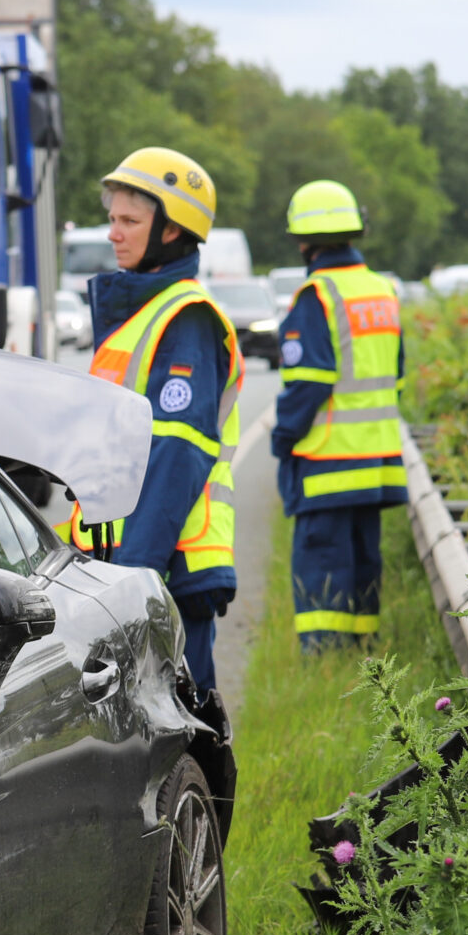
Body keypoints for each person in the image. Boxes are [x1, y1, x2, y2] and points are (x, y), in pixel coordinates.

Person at [73, 148, 240, 699]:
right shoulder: (143, 311)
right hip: (132, 561)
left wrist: (133, 580)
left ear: (171, 232)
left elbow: (175, 459)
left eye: (130, 222)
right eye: (113, 219)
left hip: (166, 566)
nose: (114, 234)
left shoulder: (185, 317)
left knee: (181, 728)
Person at [271, 180, 406, 650]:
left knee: (322, 571)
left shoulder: (317, 297)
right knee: (364, 563)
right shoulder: (383, 291)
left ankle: (324, 664)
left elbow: (307, 384)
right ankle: (367, 662)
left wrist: (283, 437)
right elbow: (398, 378)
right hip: (377, 463)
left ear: (303, 241)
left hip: (327, 462)